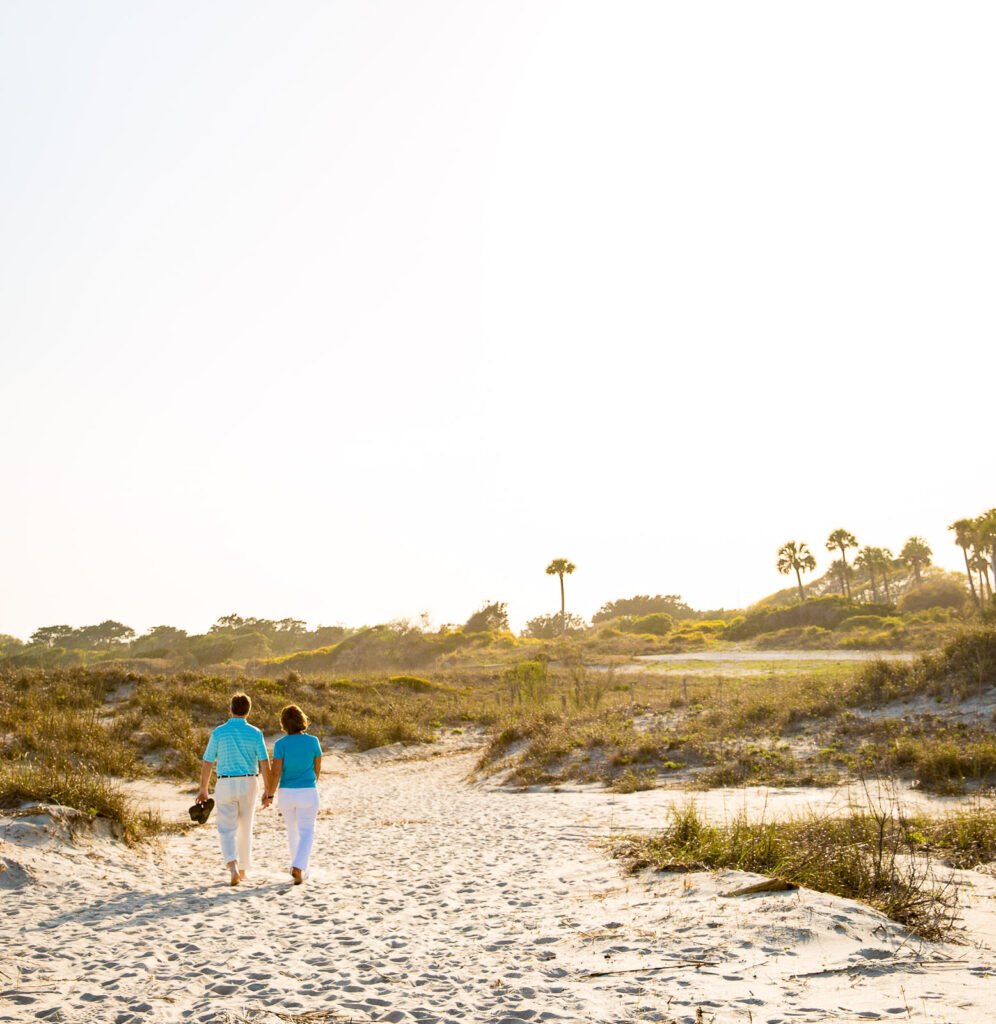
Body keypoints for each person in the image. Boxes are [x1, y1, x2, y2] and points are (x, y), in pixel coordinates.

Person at [196, 692, 271, 886]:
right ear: (248, 711)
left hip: (225, 782)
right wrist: (268, 790)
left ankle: (233, 867)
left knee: (226, 827)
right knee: (246, 826)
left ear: (230, 709)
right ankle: (244, 870)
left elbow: (207, 761)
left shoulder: (219, 732)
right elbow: (264, 762)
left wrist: (203, 788)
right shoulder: (255, 733)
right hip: (249, 782)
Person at [263, 704, 322, 884]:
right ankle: (298, 867)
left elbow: (276, 773)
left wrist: (269, 795)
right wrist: (310, 784)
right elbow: (317, 768)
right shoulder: (313, 741)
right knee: (307, 832)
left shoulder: (280, 744)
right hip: (308, 791)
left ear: (284, 724)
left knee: (292, 831)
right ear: (302, 720)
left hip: (286, 793)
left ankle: (300, 869)